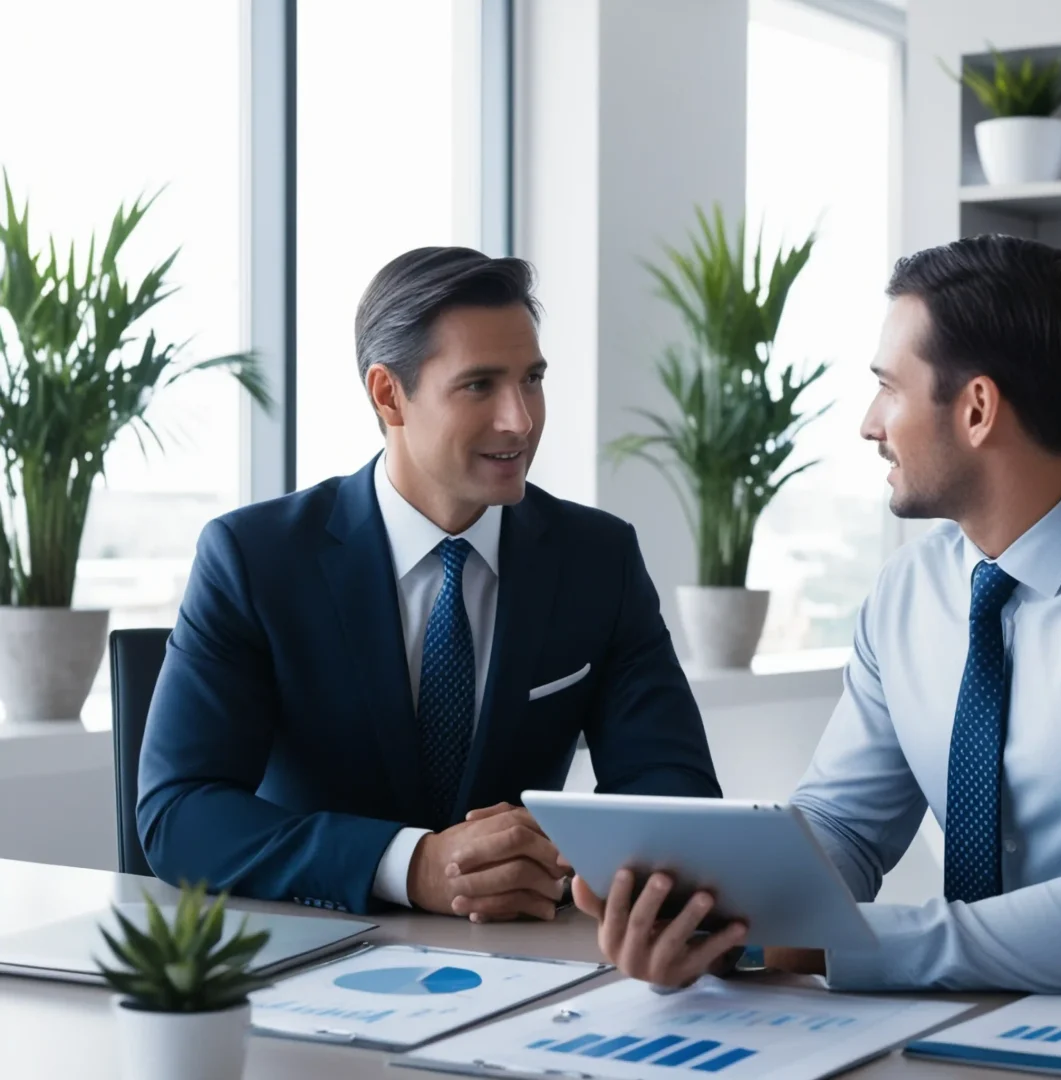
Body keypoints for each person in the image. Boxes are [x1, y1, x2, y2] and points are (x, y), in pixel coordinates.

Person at [574, 234, 1061, 992]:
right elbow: (843, 828)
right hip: (972, 1020)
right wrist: (723, 924)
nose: (870, 423)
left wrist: (833, 946)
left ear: (977, 409)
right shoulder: (908, 592)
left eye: (888, 388)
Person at [138, 246, 721, 920]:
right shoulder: (254, 559)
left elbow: (679, 792)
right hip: (320, 946)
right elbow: (179, 813)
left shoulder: (598, 559)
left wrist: (553, 852)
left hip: (528, 951)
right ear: (389, 395)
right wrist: (411, 865)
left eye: (531, 379)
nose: (520, 419)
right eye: (479, 386)